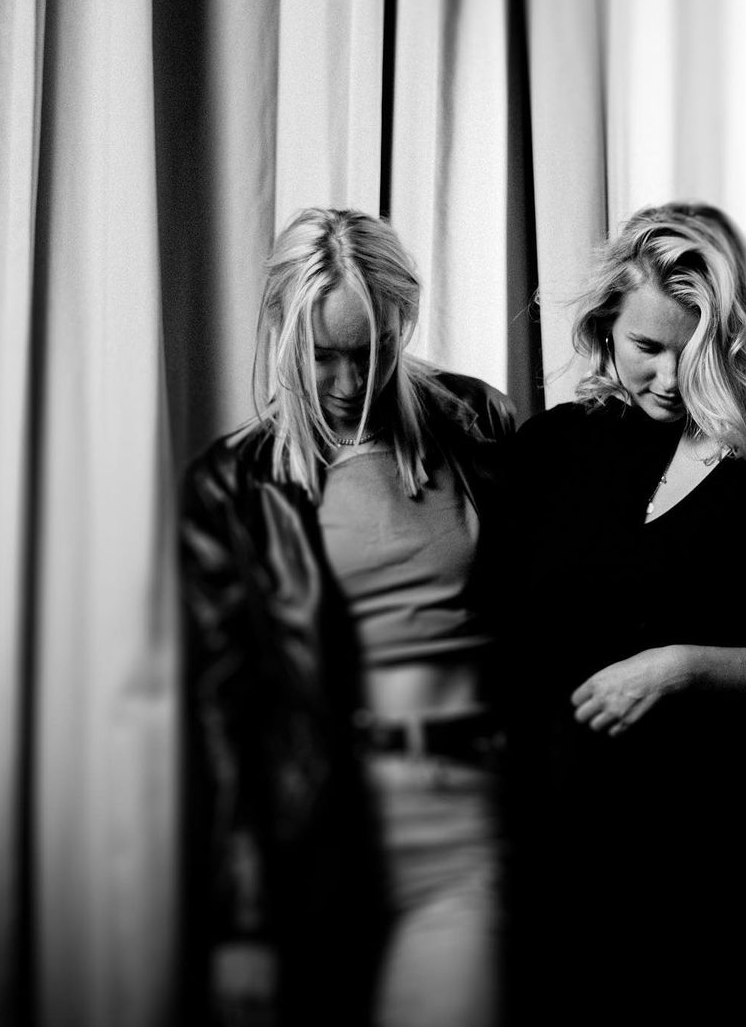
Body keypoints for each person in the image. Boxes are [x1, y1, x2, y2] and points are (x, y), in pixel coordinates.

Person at [499, 201, 746, 1026]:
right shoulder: (548, 449)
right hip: (579, 852)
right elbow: (501, 649)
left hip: (743, 854)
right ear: (606, 326)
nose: (671, 379)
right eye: (648, 347)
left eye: (696, 350)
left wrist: (682, 668)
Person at [179, 207, 516, 1027]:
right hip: (321, 832)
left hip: (468, 817)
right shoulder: (233, 485)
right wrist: (243, 919)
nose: (345, 384)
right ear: (281, 332)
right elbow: (226, 717)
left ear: (404, 321)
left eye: (369, 353)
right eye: (321, 356)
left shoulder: (481, 424)